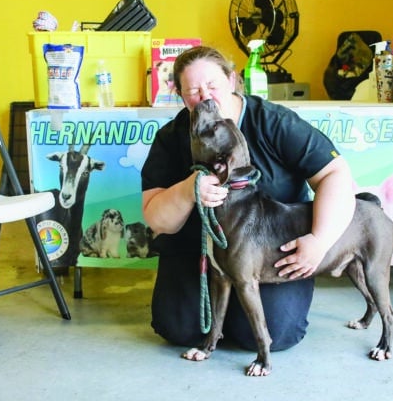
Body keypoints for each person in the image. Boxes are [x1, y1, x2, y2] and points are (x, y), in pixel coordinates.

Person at [141, 46, 356, 351]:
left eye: (213, 86)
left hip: (274, 249)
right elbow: (155, 218)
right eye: (192, 90)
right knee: (178, 329)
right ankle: (222, 312)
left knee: (278, 334)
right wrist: (188, 190)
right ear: (180, 94)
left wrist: (320, 240)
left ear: (231, 80)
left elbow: (335, 174)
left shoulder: (273, 122)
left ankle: (239, 313)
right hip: (199, 251)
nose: (204, 96)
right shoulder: (170, 136)